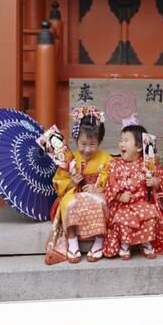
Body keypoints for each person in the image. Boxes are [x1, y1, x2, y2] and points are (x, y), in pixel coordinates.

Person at [103, 121, 163, 260]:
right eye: (121, 140)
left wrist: (155, 182)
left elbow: (161, 180)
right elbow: (110, 184)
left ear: (138, 147)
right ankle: (124, 244)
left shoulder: (148, 164)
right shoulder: (115, 164)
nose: (121, 144)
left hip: (143, 203)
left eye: (126, 140)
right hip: (124, 204)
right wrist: (119, 196)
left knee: (150, 216)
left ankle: (146, 242)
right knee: (122, 219)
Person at [52, 106, 112, 263]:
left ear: (99, 141)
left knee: (100, 202)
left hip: (96, 191)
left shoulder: (106, 159)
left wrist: (97, 188)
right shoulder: (69, 159)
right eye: (83, 143)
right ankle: (72, 241)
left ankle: (99, 241)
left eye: (92, 144)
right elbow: (59, 182)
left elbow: (112, 180)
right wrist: (72, 182)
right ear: (76, 139)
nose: (87, 149)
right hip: (74, 191)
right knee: (70, 204)